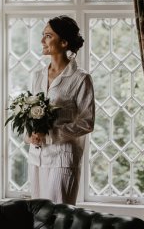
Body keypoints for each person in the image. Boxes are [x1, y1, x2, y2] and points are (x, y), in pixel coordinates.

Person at [27, 15, 95, 205]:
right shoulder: (37, 76)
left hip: (63, 158)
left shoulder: (81, 78)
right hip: (37, 157)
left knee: (58, 219)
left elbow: (87, 122)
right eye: (43, 35)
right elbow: (31, 111)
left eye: (48, 36)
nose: (42, 40)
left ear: (64, 42)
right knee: (38, 218)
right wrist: (30, 133)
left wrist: (51, 135)